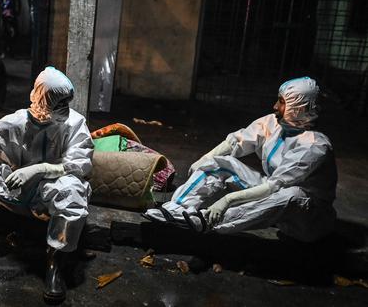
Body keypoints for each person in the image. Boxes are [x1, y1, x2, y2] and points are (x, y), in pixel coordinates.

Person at [0, 67, 94, 303]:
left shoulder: (75, 123)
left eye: (67, 101)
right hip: (15, 187)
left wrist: (38, 169)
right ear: (43, 100)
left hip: (50, 187)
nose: (65, 108)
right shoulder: (16, 122)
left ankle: (56, 264)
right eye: (59, 103)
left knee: (72, 191)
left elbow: (79, 164)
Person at [144, 77, 337, 243]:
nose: (275, 106)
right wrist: (205, 159)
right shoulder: (273, 124)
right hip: (273, 196)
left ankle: (207, 220)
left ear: (299, 107)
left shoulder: (314, 146)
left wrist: (227, 200)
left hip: (306, 219)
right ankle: (176, 209)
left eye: (282, 102)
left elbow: (274, 187)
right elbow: (237, 141)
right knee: (221, 163)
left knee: (292, 194)